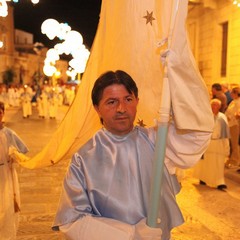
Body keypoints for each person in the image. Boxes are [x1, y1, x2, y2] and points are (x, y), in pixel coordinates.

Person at [52, 70, 212, 240]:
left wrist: (180, 66)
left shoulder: (156, 140)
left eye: (128, 99)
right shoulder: (83, 158)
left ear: (137, 101)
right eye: (111, 102)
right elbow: (72, 221)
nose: (121, 109)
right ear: (97, 108)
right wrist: (130, 234)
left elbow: (198, 134)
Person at [0, 101, 29, 240]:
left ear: (3, 114)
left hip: (6, 173)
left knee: (6, 207)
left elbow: (23, 151)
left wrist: (15, 154)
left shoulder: (9, 133)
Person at [193, 98, 230, 191]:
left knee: (218, 163)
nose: (214, 107)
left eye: (216, 105)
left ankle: (220, 182)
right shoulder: (206, 116)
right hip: (207, 143)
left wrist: (227, 147)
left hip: (218, 143)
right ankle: (203, 178)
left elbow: (225, 133)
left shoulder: (222, 118)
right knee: (205, 163)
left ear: (219, 107)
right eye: (213, 105)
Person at [225, 87, 240, 168]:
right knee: (232, 143)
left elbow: (237, 114)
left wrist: (231, 117)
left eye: (232, 93)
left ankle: (235, 161)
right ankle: (232, 159)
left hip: (235, 125)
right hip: (230, 124)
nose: (230, 94)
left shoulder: (239, 102)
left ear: (235, 93)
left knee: (235, 144)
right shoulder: (233, 101)